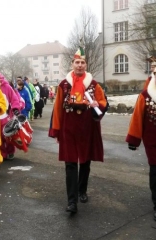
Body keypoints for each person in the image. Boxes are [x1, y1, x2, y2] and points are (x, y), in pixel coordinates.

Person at [48, 47, 108, 214]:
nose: (80, 65)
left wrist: (98, 106)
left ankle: (82, 190)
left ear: (86, 65)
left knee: (85, 161)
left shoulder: (94, 85)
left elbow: (103, 103)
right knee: (70, 163)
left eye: (82, 63)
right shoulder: (64, 85)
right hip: (69, 128)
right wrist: (57, 130)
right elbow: (58, 108)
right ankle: (72, 201)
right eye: (77, 62)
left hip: (88, 128)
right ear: (72, 64)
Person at [126, 69, 156, 222]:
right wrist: (134, 139)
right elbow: (137, 117)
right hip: (152, 139)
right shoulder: (145, 96)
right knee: (155, 168)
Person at [0, 71, 20, 160]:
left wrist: (15, 109)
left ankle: (10, 151)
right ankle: (2, 153)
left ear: (0, 78)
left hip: (6, 116)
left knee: (8, 135)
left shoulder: (7, 87)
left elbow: (14, 99)